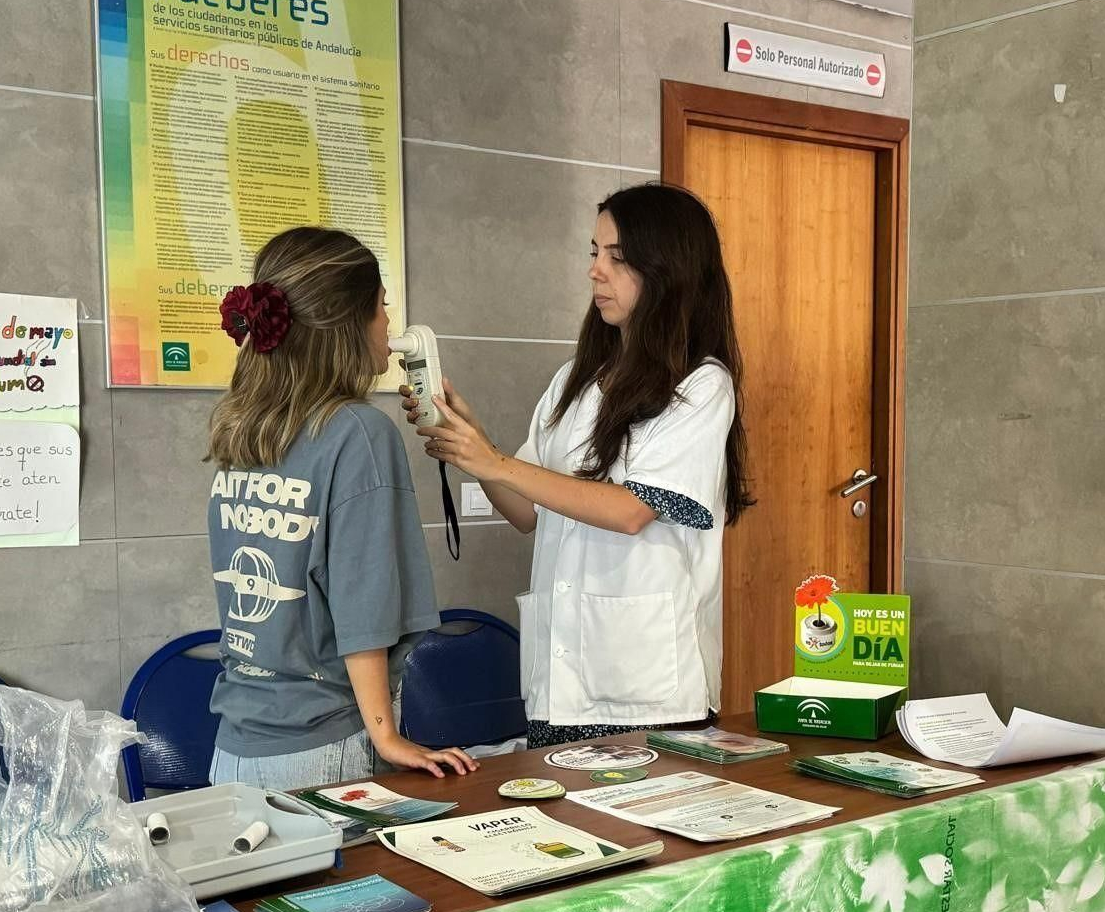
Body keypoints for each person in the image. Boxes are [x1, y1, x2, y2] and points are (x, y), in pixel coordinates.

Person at [405, 183, 752, 748]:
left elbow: (633, 510)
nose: (596, 271)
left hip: (645, 685)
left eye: (616, 257)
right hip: (559, 678)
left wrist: (495, 460)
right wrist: (470, 446)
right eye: (594, 252)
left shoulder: (702, 384)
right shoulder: (576, 379)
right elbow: (524, 510)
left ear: (668, 269)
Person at [205, 226, 477, 786]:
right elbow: (363, 604)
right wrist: (385, 735)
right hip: (325, 745)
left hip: (234, 750)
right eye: (381, 308)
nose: (388, 326)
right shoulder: (358, 432)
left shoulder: (243, 431)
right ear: (350, 325)